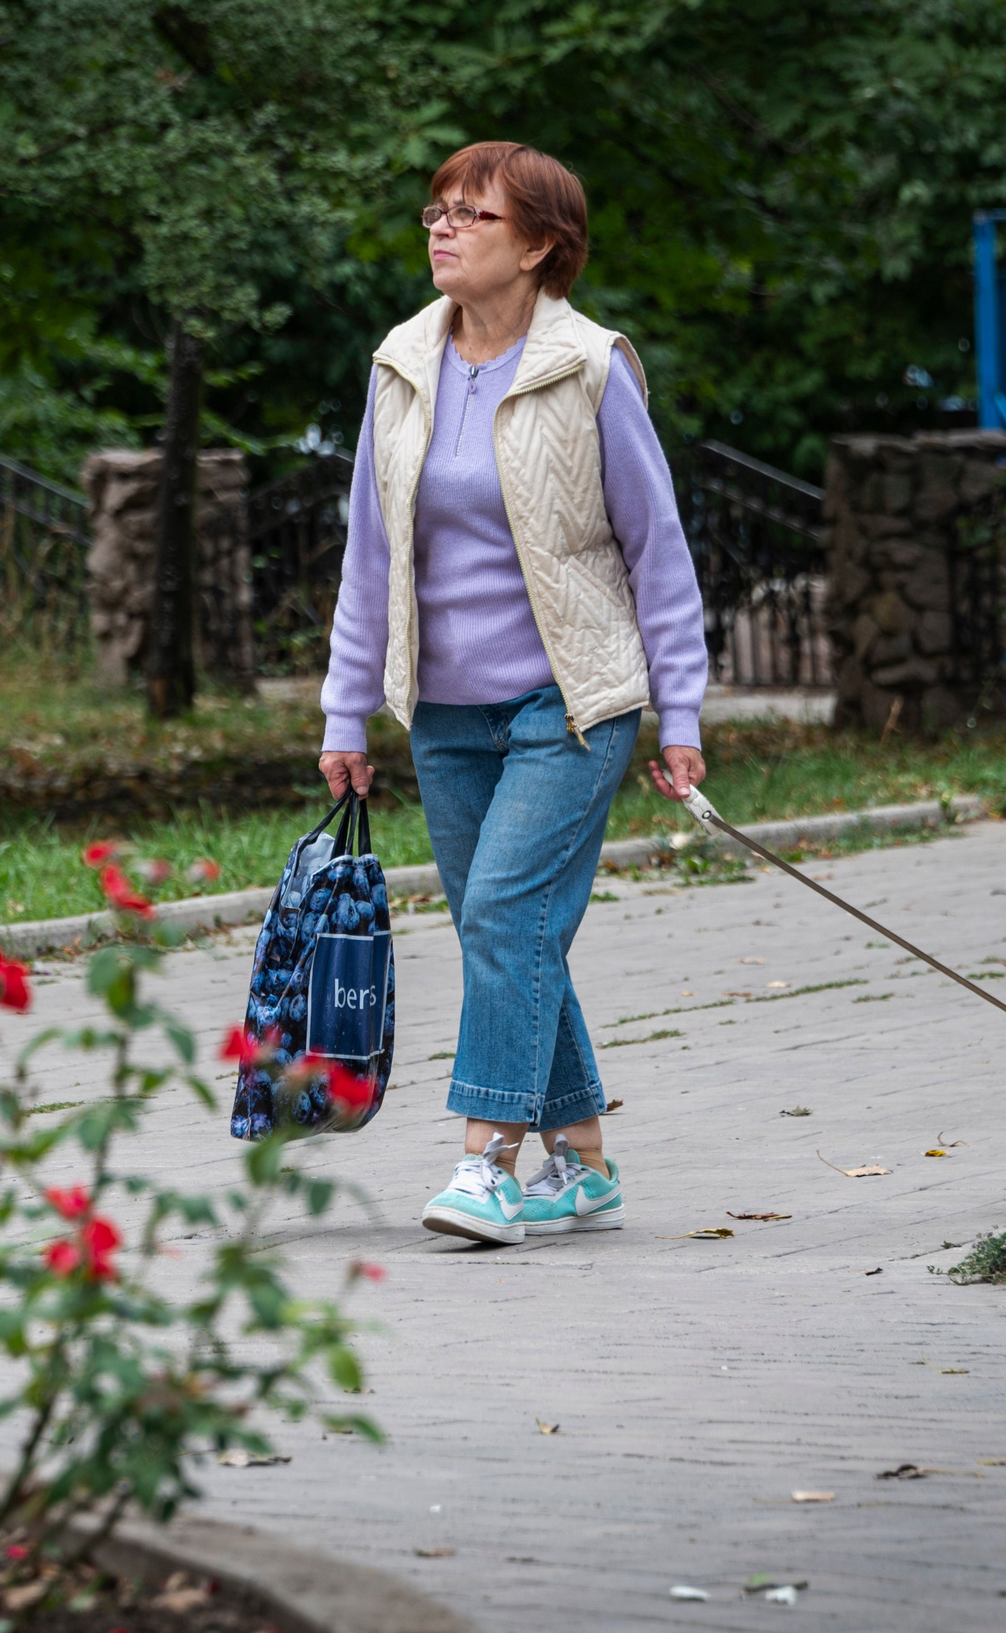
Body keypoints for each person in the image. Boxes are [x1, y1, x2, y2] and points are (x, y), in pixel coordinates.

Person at [319, 140, 711, 1245]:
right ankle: (581, 1162)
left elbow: (658, 551)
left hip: (571, 703)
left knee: (499, 915)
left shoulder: (589, 366)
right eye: (435, 211)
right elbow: (368, 555)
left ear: (539, 245)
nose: (441, 228)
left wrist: (676, 714)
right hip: (443, 714)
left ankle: (485, 1158)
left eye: (472, 214)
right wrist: (344, 710)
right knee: (515, 929)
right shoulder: (401, 362)